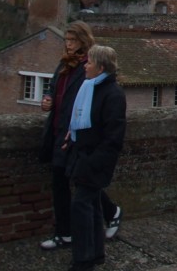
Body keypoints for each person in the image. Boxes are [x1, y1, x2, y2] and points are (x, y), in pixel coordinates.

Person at [39, 22, 122, 251]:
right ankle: (71, 231)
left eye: (73, 40)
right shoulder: (65, 63)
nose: (68, 44)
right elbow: (53, 88)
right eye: (66, 40)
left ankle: (71, 233)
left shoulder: (90, 66)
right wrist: (47, 99)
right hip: (58, 129)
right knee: (66, 180)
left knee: (76, 181)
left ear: (83, 41)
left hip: (74, 132)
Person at [65, 45, 127, 271]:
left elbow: (113, 137)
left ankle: (83, 260)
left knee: (81, 205)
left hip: (95, 161)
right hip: (83, 156)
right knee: (92, 205)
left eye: (89, 62)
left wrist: (92, 162)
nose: (85, 66)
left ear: (101, 68)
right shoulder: (89, 87)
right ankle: (95, 254)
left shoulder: (113, 95)